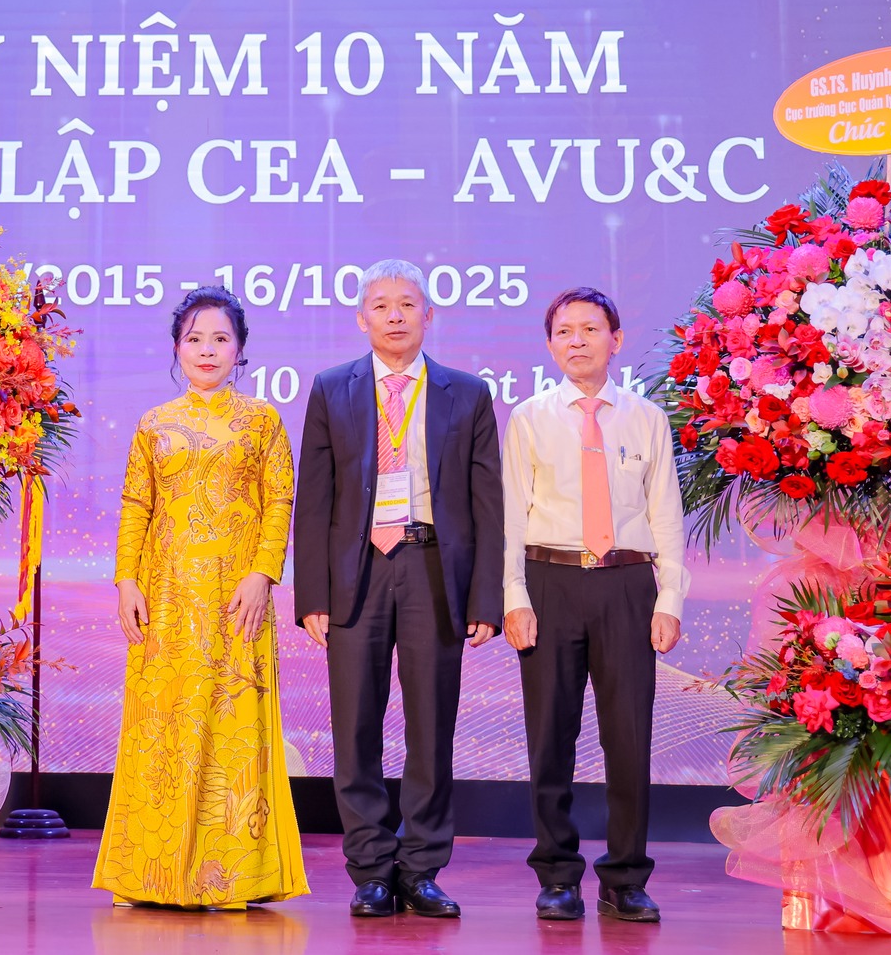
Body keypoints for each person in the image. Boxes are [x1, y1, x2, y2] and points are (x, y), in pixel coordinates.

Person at [294, 259, 503, 919]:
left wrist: (486, 598)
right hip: (356, 571)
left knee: (431, 727)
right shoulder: (332, 387)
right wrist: (312, 594)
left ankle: (420, 868)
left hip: (431, 566)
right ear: (362, 318)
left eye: (407, 303)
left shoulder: (466, 393)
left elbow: (488, 503)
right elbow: (314, 499)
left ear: (428, 315)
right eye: (380, 304)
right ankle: (370, 870)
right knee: (355, 726)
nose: (394, 314)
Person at [93, 286, 309, 910]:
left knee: (233, 730)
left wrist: (264, 574)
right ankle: (151, 874)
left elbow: (279, 502)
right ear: (176, 348)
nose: (207, 350)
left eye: (220, 338)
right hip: (164, 600)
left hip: (237, 600)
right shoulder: (154, 423)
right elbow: (137, 506)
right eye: (195, 339)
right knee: (160, 730)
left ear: (240, 349)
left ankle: (229, 877)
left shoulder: (262, 420)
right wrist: (126, 581)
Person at [501, 287, 687, 923]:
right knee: (550, 735)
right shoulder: (529, 418)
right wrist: (514, 596)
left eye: (589, 328)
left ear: (616, 339)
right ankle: (557, 874)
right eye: (564, 331)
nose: (576, 340)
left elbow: (666, 515)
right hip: (549, 581)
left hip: (627, 584)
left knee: (628, 735)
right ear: (550, 344)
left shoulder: (646, 418)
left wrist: (670, 599)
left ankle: (626, 878)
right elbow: (510, 516)